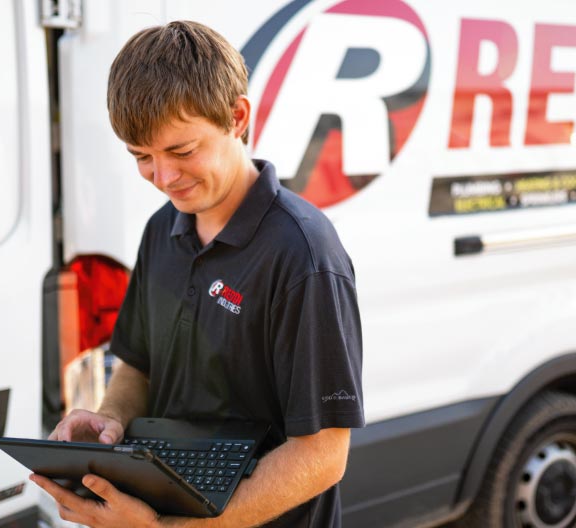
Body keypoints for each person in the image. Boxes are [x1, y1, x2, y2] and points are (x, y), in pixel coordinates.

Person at [30, 20, 364, 528]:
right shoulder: (162, 229)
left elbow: (321, 457)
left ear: (237, 116)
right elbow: (138, 366)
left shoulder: (303, 254)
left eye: (182, 151)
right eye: (142, 157)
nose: (163, 178)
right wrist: (109, 421)